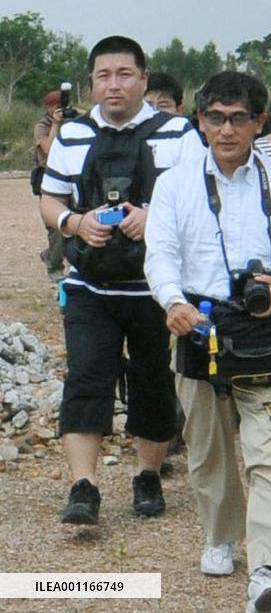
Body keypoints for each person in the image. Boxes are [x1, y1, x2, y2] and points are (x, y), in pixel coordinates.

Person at [144, 71, 271, 611]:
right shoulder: (174, 182)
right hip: (200, 327)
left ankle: (267, 566)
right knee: (209, 451)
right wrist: (172, 301)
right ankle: (221, 535)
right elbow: (160, 252)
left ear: (258, 122)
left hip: (268, 328)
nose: (226, 129)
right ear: (199, 121)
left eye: (239, 118)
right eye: (215, 117)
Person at [38, 35, 205, 526]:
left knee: (154, 381)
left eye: (125, 74)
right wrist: (76, 223)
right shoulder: (71, 136)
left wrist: (153, 216)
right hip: (91, 286)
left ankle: (148, 476)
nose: (114, 85)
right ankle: (83, 486)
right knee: (86, 379)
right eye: (104, 76)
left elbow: (198, 201)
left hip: (157, 289)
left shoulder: (178, 133)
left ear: (144, 80)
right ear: (91, 82)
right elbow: (51, 202)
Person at [33, 89, 69, 281]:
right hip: (49, 177)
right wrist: (55, 124)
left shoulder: (71, 121)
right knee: (57, 226)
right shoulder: (42, 126)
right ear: (49, 109)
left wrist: (75, 112)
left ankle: (51, 255)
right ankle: (54, 265)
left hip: (71, 176)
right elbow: (48, 150)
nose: (61, 111)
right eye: (57, 107)